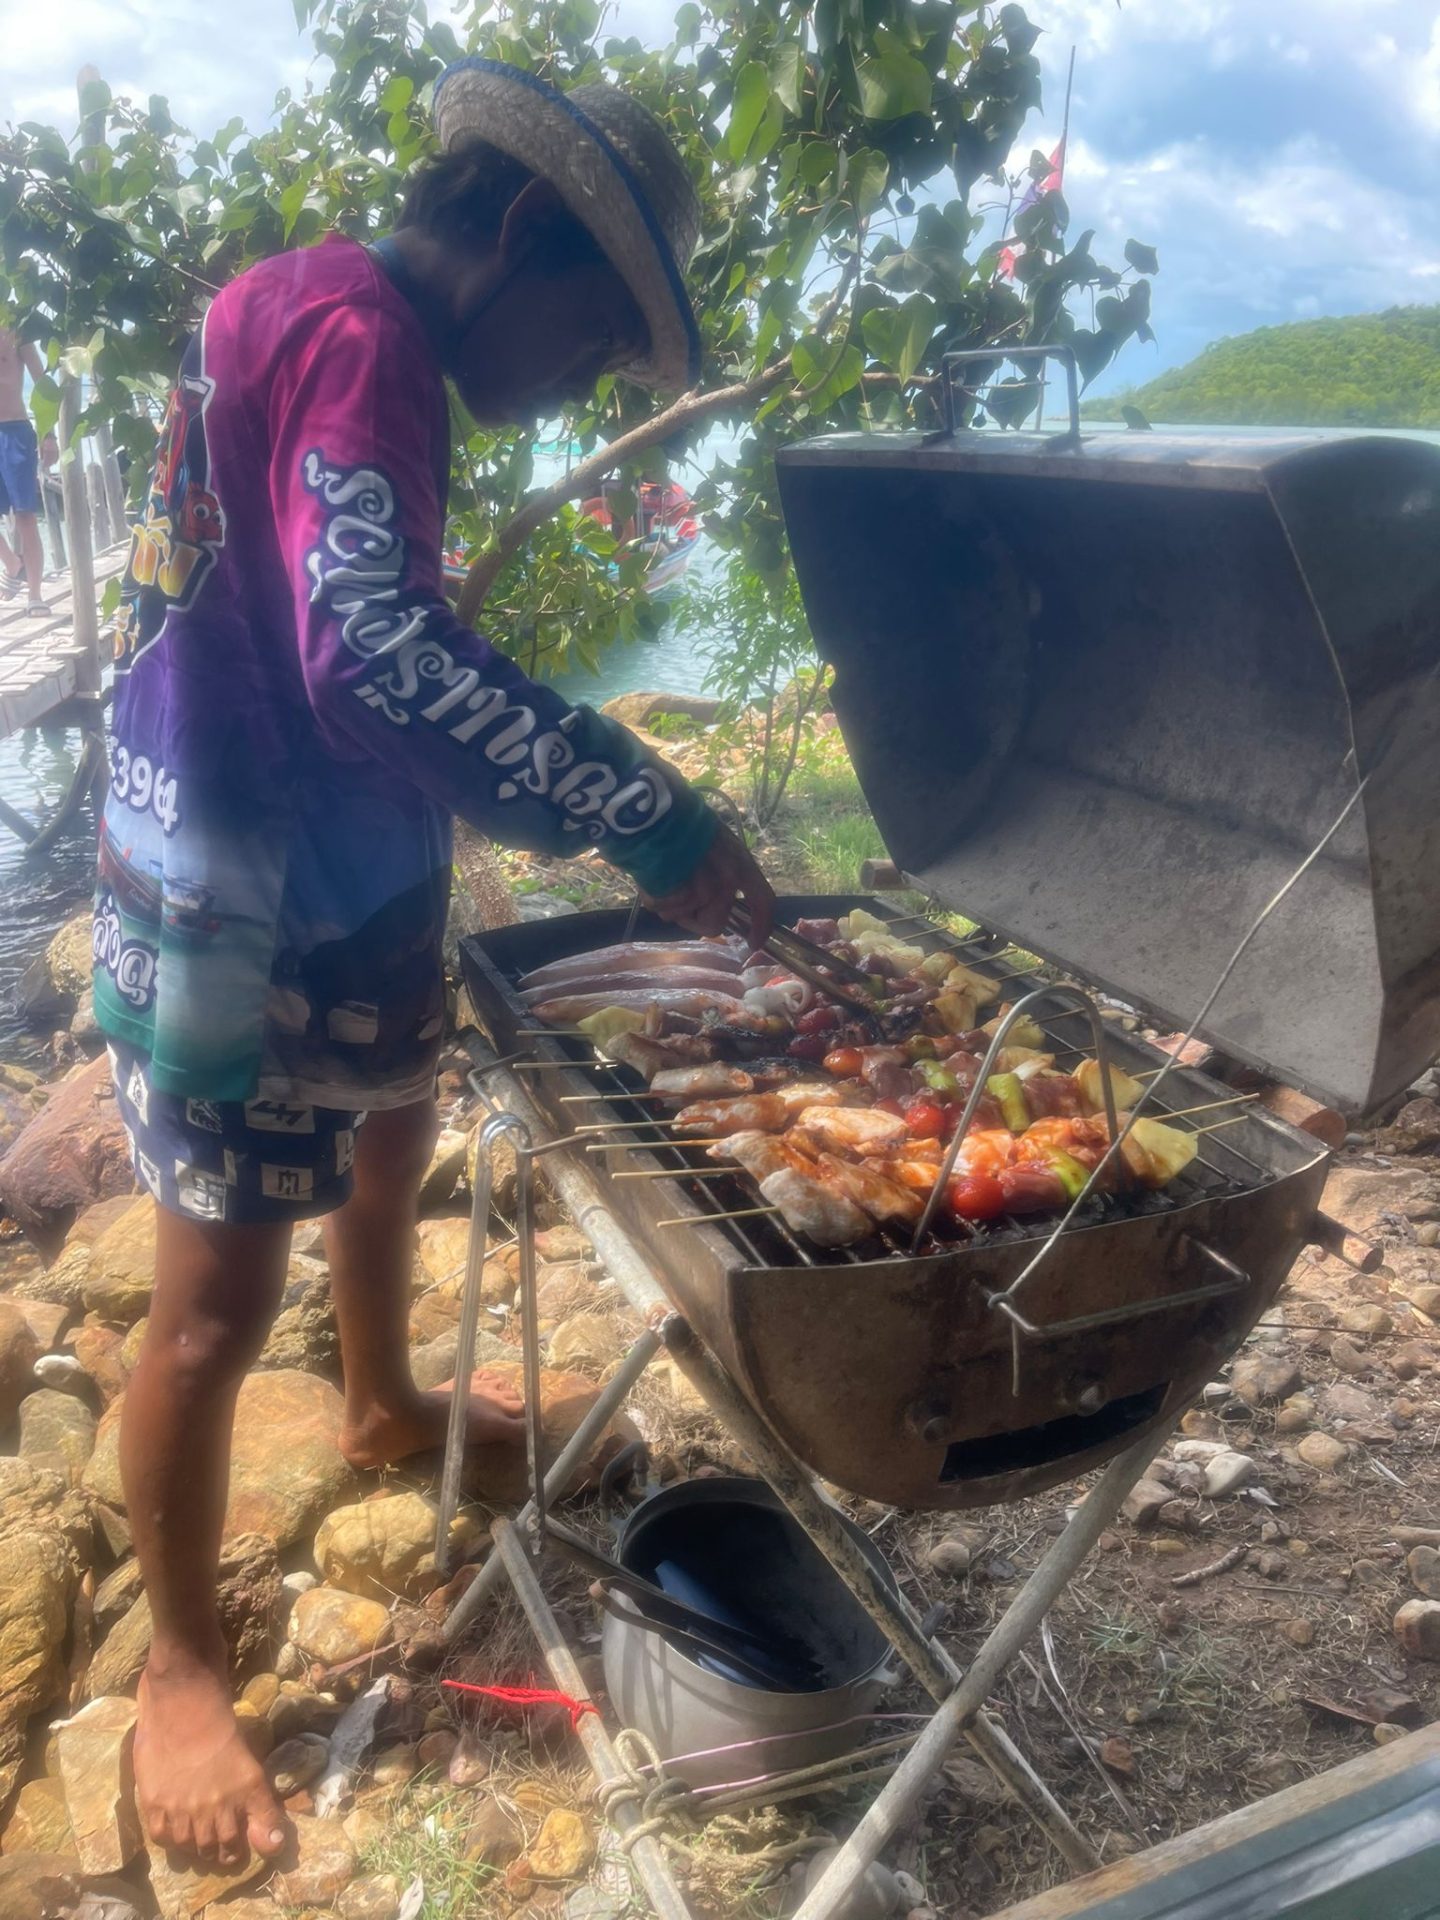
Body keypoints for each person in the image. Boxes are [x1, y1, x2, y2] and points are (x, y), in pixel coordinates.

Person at [94, 59, 774, 1871]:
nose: (580, 387)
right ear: (523, 227)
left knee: (392, 1133)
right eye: (595, 334)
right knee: (214, 1312)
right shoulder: (362, 332)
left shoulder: (309, 297)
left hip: (346, 860)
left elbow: (314, 571)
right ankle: (177, 1667)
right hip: (244, 878)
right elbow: (370, 657)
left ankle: (386, 1397)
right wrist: (648, 812)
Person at [0, 325, 47, 614]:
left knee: (25, 515)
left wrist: (49, 434)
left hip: (15, 431)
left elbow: (43, 384)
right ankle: (12, 563)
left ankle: (35, 594)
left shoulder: (16, 331)